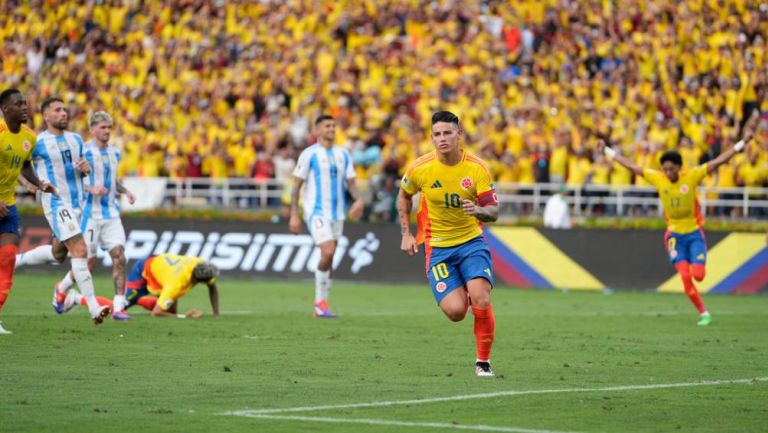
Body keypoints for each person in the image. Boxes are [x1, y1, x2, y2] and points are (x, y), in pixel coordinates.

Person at [597, 131, 754, 326]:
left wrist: (741, 144)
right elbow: (631, 165)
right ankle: (704, 313)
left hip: (695, 233)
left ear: (679, 167)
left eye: (671, 169)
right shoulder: (658, 178)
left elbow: (718, 162)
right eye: (665, 170)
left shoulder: (691, 176)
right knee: (685, 276)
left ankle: (698, 280)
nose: (668, 173)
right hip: (674, 236)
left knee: (699, 275)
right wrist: (606, 150)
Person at [397, 111, 499, 377]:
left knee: (481, 298)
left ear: (459, 135)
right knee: (455, 312)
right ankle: (465, 286)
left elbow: (494, 212)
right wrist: (406, 233)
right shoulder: (420, 168)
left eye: (448, 133)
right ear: (431, 138)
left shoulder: (476, 168)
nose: (442, 139)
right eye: (437, 134)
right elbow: (403, 197)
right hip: (438, 248)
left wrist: (477, 210)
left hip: (471, 243)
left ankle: (483, 362)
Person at [33, 97, 111, 324]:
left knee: (59, 254)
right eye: (57, 110)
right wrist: (32, 184)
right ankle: (94, 308)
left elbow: (82, 169)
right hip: (57, 203)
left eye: (65, 109)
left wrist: (86, 169)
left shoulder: (76, 140)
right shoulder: (38, 143)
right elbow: (20, 166)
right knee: (80, 251)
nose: (63, 113)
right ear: (46, 116)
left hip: (79, 205)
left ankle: (18, 260)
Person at [52, 111, 136, 320]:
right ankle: (61, 288)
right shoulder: (84, 151)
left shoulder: (115, 153)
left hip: (111, 214)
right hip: (89, 215)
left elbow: (111, 182)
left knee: (119, 256)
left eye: (109, 127)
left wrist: (126, 191)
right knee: (87, 264)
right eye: (102, 127)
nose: (106, 131)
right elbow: (74, 181)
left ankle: (118, 307)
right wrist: (92, 189)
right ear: (92, 129)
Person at [289, 115, 364, 318]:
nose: (331, 128)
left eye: (333, 125)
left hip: (337, 213)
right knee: (328, 251)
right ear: (317, 129)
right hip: (316, 211)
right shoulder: (309, 154)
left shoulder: (343, 154)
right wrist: (294, 215)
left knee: (329, 260)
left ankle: (322, 305)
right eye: (327, 125)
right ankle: (319, 303)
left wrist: (359, 200)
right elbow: (296, 185)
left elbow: (351, 183)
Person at [0, 88, 57, 334]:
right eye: (18, 103)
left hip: (8, 207)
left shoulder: (29, 137)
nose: (25, 107)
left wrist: (39, 183)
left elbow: (25, 167)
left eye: (25, 103)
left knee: (8, 259)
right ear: (5, 109)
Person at [121, 254, 219, 319]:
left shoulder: (201, 265)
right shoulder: (175, 284)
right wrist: (184, 316)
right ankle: (136, 300)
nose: (212, 280)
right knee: (120, 307)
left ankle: (140, 300)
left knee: (170, 312)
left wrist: (216, 314)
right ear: (201, 282)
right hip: (143, 269)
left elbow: (212, 287)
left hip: (163, 269)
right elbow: (155, 313)